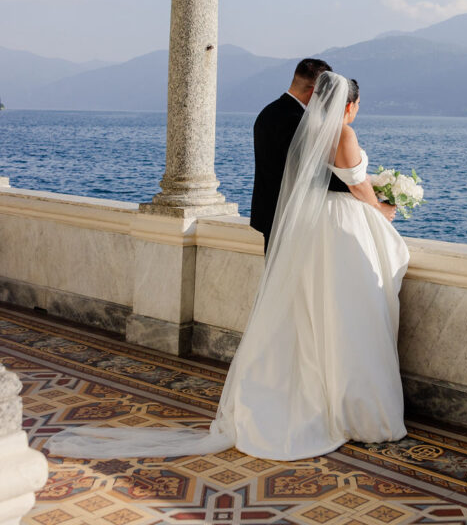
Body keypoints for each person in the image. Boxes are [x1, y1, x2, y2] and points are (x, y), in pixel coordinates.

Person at [46, 72, 409, 461]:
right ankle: (354, 408)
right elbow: (355, 185)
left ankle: (316, 398)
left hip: (310, 228)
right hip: (337, 227)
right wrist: (383, 207)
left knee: (310, 312)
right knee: (347, 314)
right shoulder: (343, 133)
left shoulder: (307, 128)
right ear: (349, 105)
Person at [250, 57, 332, 252]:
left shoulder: (267, 112)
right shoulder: (296, 121)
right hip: (288, 215)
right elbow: (311, 170)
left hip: (268, 212)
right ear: (314, 91)